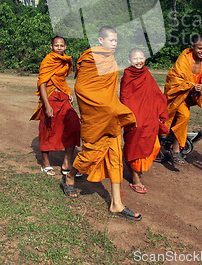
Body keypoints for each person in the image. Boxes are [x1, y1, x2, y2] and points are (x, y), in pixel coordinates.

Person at [62, 26, 142, 221]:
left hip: (109, 117)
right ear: (100, 40)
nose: (114, 44)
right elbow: (82, 88)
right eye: (111, 40)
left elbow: (108, 91)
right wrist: (107, 108)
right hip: (97, 117)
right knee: (90, 154)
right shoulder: (90, 58)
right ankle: (70, 176)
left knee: (115, 158)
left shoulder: (112, 60)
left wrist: (112, 108)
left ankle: (116, 204)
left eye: (116, 41)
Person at [164, 35, 202, 165]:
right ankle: (175, 149)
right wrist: (191, 86)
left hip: (190, 96)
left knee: (183, 117)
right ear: (193, 47)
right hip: (179, 96)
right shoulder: (185, 59)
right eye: (200, 48)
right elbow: (174, 79)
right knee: (184, 115)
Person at [120, 48, 169, 194]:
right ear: (129, 61)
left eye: (141, 58)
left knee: (154, 146)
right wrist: (131, 116)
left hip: (149, 117)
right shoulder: (127, 75)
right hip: (135, 118)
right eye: (135, 59)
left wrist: (160, 111)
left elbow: (155, 94)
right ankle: (135, 179)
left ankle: (132, 165)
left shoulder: (146, 74)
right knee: (136, 146)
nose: (139, 61)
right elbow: (125, 97)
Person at [30, 36, 80, 176]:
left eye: (62, 45)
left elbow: (61, 79)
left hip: (62, 96)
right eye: (56, 45)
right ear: (51, 47)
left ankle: (67, 163)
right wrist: (47, 105)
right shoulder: (48, 61)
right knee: (48, 128)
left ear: (65, 47)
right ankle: (46, 163)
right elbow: (42, 83)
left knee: (74, 125)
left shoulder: (65, 60)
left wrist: (67, 92)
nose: (59, 48)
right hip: (50, 96)